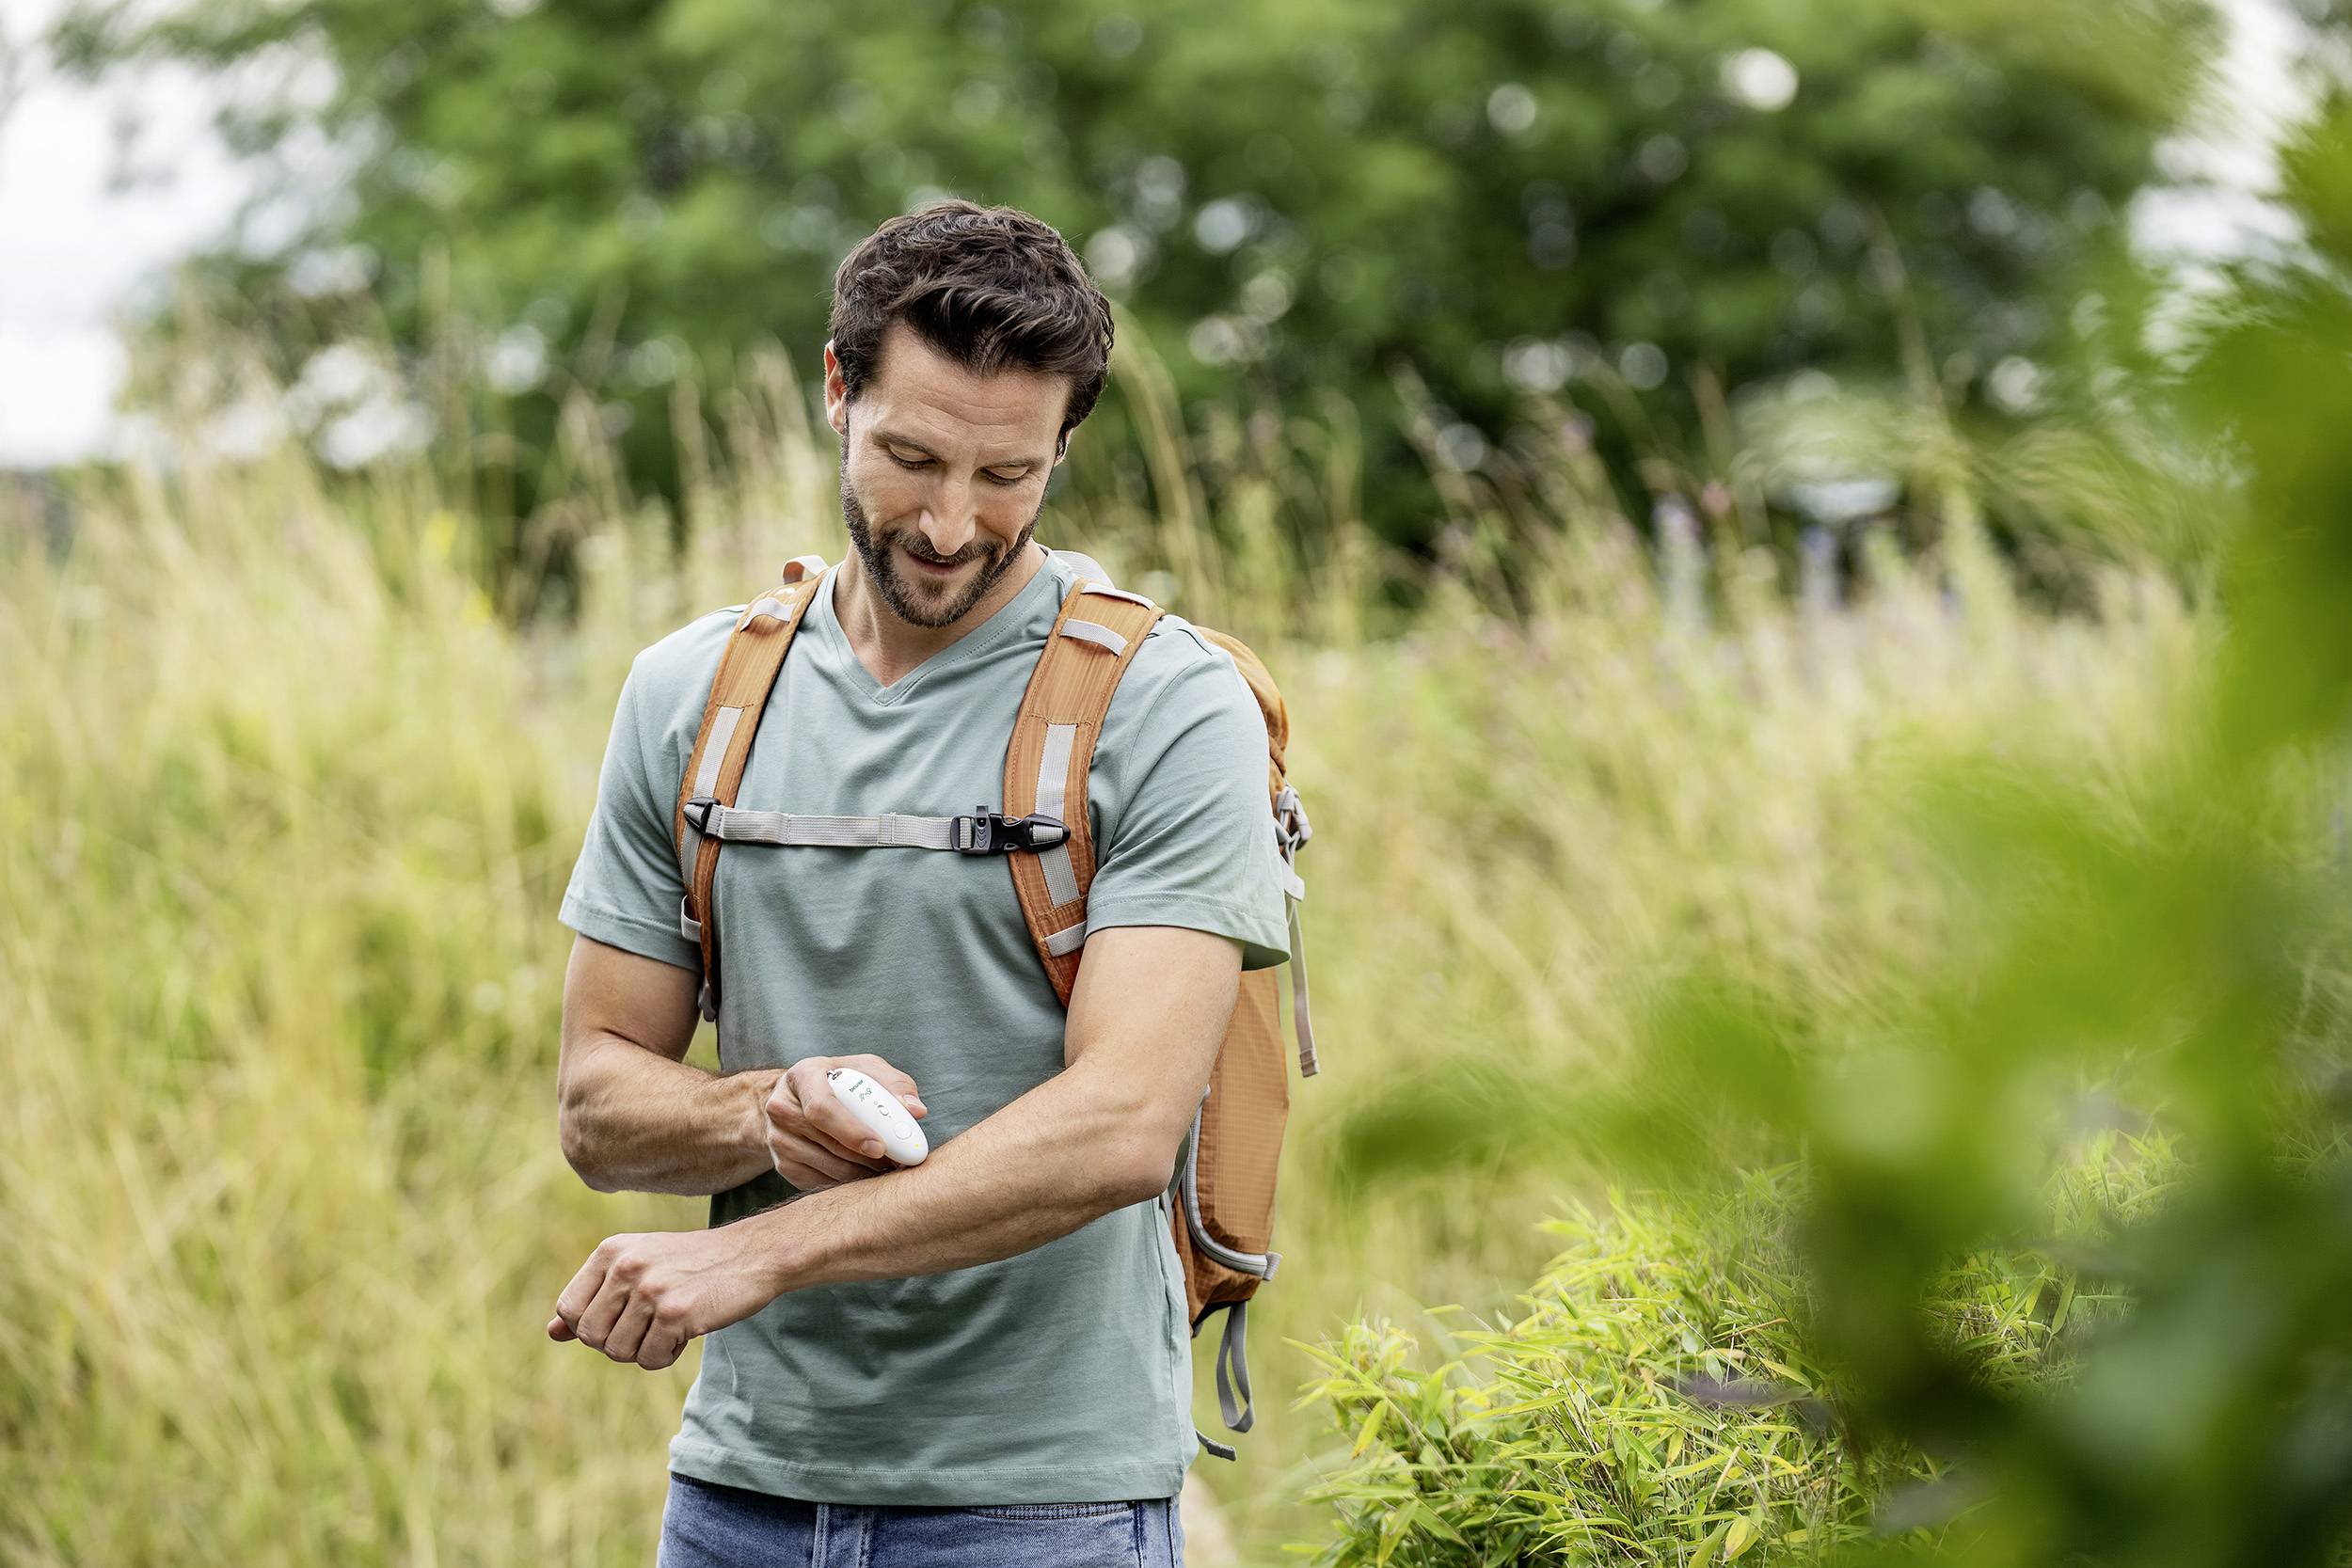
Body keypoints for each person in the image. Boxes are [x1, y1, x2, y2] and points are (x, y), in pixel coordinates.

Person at [546, 198, 1293, 1568]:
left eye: (1009, 476)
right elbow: (598, 1102)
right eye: (912, 457)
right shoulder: (691, 694)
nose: (953, 524)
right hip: (737, 1502)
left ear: (1065, 444)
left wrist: (763, 1251)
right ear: (837, 391)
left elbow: (1125, 1124)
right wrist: (769, 1113)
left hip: (1046, 1509)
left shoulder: (1166, 707)